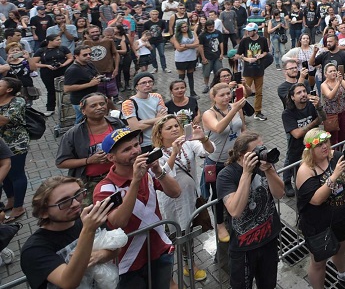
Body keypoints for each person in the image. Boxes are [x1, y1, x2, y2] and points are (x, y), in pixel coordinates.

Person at [93, 127, 181, 289]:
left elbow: (175, 192)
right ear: (111, 157)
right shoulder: (105, 188)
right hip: (129, 262)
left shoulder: (148, 173)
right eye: (127, 149)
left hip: (160, 250)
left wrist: (158, 171)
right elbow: (118, 222)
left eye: (136, 145)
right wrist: (135, 182)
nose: (135, 151)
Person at [21, 177, 117, 289]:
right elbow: (68, 282)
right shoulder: (34, 249)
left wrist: (99, 255)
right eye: (64, 202)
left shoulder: (87, 219)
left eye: (78, 194)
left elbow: (116, 248)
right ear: (43, 213)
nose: (76, 203)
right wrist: (88, 230)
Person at [150, 115, 215, 282]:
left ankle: (189, 265)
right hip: (170, 201)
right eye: (169, 128)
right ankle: (171, 274)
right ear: (160, 133)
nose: (174, 129)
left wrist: (204, 138)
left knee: (188, 232)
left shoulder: (188, 143)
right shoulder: (155, 154)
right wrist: (173, 153)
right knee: (175, 235)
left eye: (176, 126)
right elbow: (164, 174)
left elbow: (208, 150)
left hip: (189, 197)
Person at [295, 129, 345, 288]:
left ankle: (343, 272)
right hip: (318, 226)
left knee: (341, 249)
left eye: (326, 142)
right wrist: (334, 175)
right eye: (319, 144)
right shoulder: (306, 170)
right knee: (319, 262)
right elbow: (317, 199)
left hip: (341, 218)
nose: (325, 146)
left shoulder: (336, 157)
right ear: (310, 149)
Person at [217, 132, 285, 289]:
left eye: (263, 147)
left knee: (268, 285)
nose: (262, 151)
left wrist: (269, 171)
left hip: (269, 239)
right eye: (257, 150)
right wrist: (247, 173)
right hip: (244, 248)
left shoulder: (264, 165)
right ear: (242, 155)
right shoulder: (226, 175)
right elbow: (235, 211)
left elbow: (279, 194)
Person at [203, 79, 247, 243]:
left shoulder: (235, 108)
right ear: (213, 97)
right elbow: (218, 128)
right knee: (219, 194)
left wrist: (247, 145)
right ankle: (220, 224)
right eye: (221, 95)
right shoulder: (209, 114)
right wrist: (234, 109)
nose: (226, 97)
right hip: (217, 161)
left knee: (238, 187)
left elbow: (242, 128)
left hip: (235, 158)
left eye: (228, 93)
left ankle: (236, 213)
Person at [55, 92, 125, 197]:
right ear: (83, 111)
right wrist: (89, 160)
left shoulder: (116, 123)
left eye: (102, 104)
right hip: (92, 182)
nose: (99, 107)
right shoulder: (74, 134)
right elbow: (61, 162)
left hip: (119, 175)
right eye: (93, 106)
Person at [281, 81, 324, 198]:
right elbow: (297, 134)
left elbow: (323, 118)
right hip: (297, 151)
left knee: (316, 177)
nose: (303, 94)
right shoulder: (287, 113)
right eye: (299, 92)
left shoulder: (311, 105)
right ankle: (289, 185)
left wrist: (319, 107)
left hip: (314, 147)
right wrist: (315, 122)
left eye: (304, 91)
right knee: (301, 181)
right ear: (292, 97)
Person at [0, 77, 29, 221]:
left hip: (16, 143)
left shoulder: (18, 101)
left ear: (9, 90)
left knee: (16, 174)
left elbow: (5, 120)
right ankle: (10, 200)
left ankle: (18, 207)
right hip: (1, 144)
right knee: (4, 175)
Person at [120, 72, 168, 151]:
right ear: (136, 87)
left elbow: (164, 118)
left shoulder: (157, 96)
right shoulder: (128, 103)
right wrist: (157, 119)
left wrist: (142, 123)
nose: (148, 85)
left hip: (160, 140)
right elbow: (135, 129)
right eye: (143, 83)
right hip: (143, 144)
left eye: (150, 82)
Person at [63, 43, 104, 123]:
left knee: (89, 121)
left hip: (91, 98)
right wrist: (89, 84)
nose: (88, 56)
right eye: (85, 55)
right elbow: (67, 88)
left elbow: (95, 75)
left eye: (90, 54)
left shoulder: (89, 64)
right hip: (80, 100)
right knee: (83, 121)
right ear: (76, 56)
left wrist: (98, 78)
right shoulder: (73, 70)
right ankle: (77, 134)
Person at [34, 33, 73, 116]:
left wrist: (63, 64)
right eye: (57, 40)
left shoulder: (63, 48)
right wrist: (46, 65)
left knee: (65, 89)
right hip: (47, 73)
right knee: (51, 90)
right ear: (50, 41)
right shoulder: (41, 50)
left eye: (60, 40)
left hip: (62, 71)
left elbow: (70, 58)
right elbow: (34, 63)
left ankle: (67, 108)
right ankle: (50, 108)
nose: (60, 41)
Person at [238, 22, 270, 121]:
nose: (247, 32)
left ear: (255, 31)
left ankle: (258, 112)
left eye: (250, 31)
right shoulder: (244, 41)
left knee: (259, 92)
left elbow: (266, 51)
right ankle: (239, 110)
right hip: (248, 71)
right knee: (243, 92)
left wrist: (261, 55)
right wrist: (247, 59)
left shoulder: (263, 40)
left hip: (259, 70)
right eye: (247, 30)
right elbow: (238, 55)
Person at [82, 25, 120, 109]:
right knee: (99, 96)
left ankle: (110, 113)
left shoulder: (109, 41)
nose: (95, 33)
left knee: (109, 95)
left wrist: (116, 68)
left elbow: (116, 54)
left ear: (100, 32)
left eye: (96, 31)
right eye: (92, 32)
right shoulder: (86, 43)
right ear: (88, 34)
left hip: (109, 72)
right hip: (95, 75)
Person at [320, 62, 345, 146]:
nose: (333, 73)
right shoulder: (324, 85)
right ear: (325, 74)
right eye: (330, 71)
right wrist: (338, 82)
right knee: (333, 139)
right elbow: (330, 96)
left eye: (334, 71)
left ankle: (341, 154)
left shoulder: (340, 80)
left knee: (342, 137)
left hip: (342, 113)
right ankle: (333, 156)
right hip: (331, 116)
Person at [199, 19, 225, 92]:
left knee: (219, 72)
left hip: (217, 56)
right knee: (206, 73)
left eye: (212, 26)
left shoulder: (218, 33)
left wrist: (222, 53)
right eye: (209, 27)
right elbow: (200, 46)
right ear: (206, 27)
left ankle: (217, 85)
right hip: (208, 57)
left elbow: (221, 43)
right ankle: (206, 85)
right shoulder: (202, 35)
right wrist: (203, 58)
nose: (211, 28)